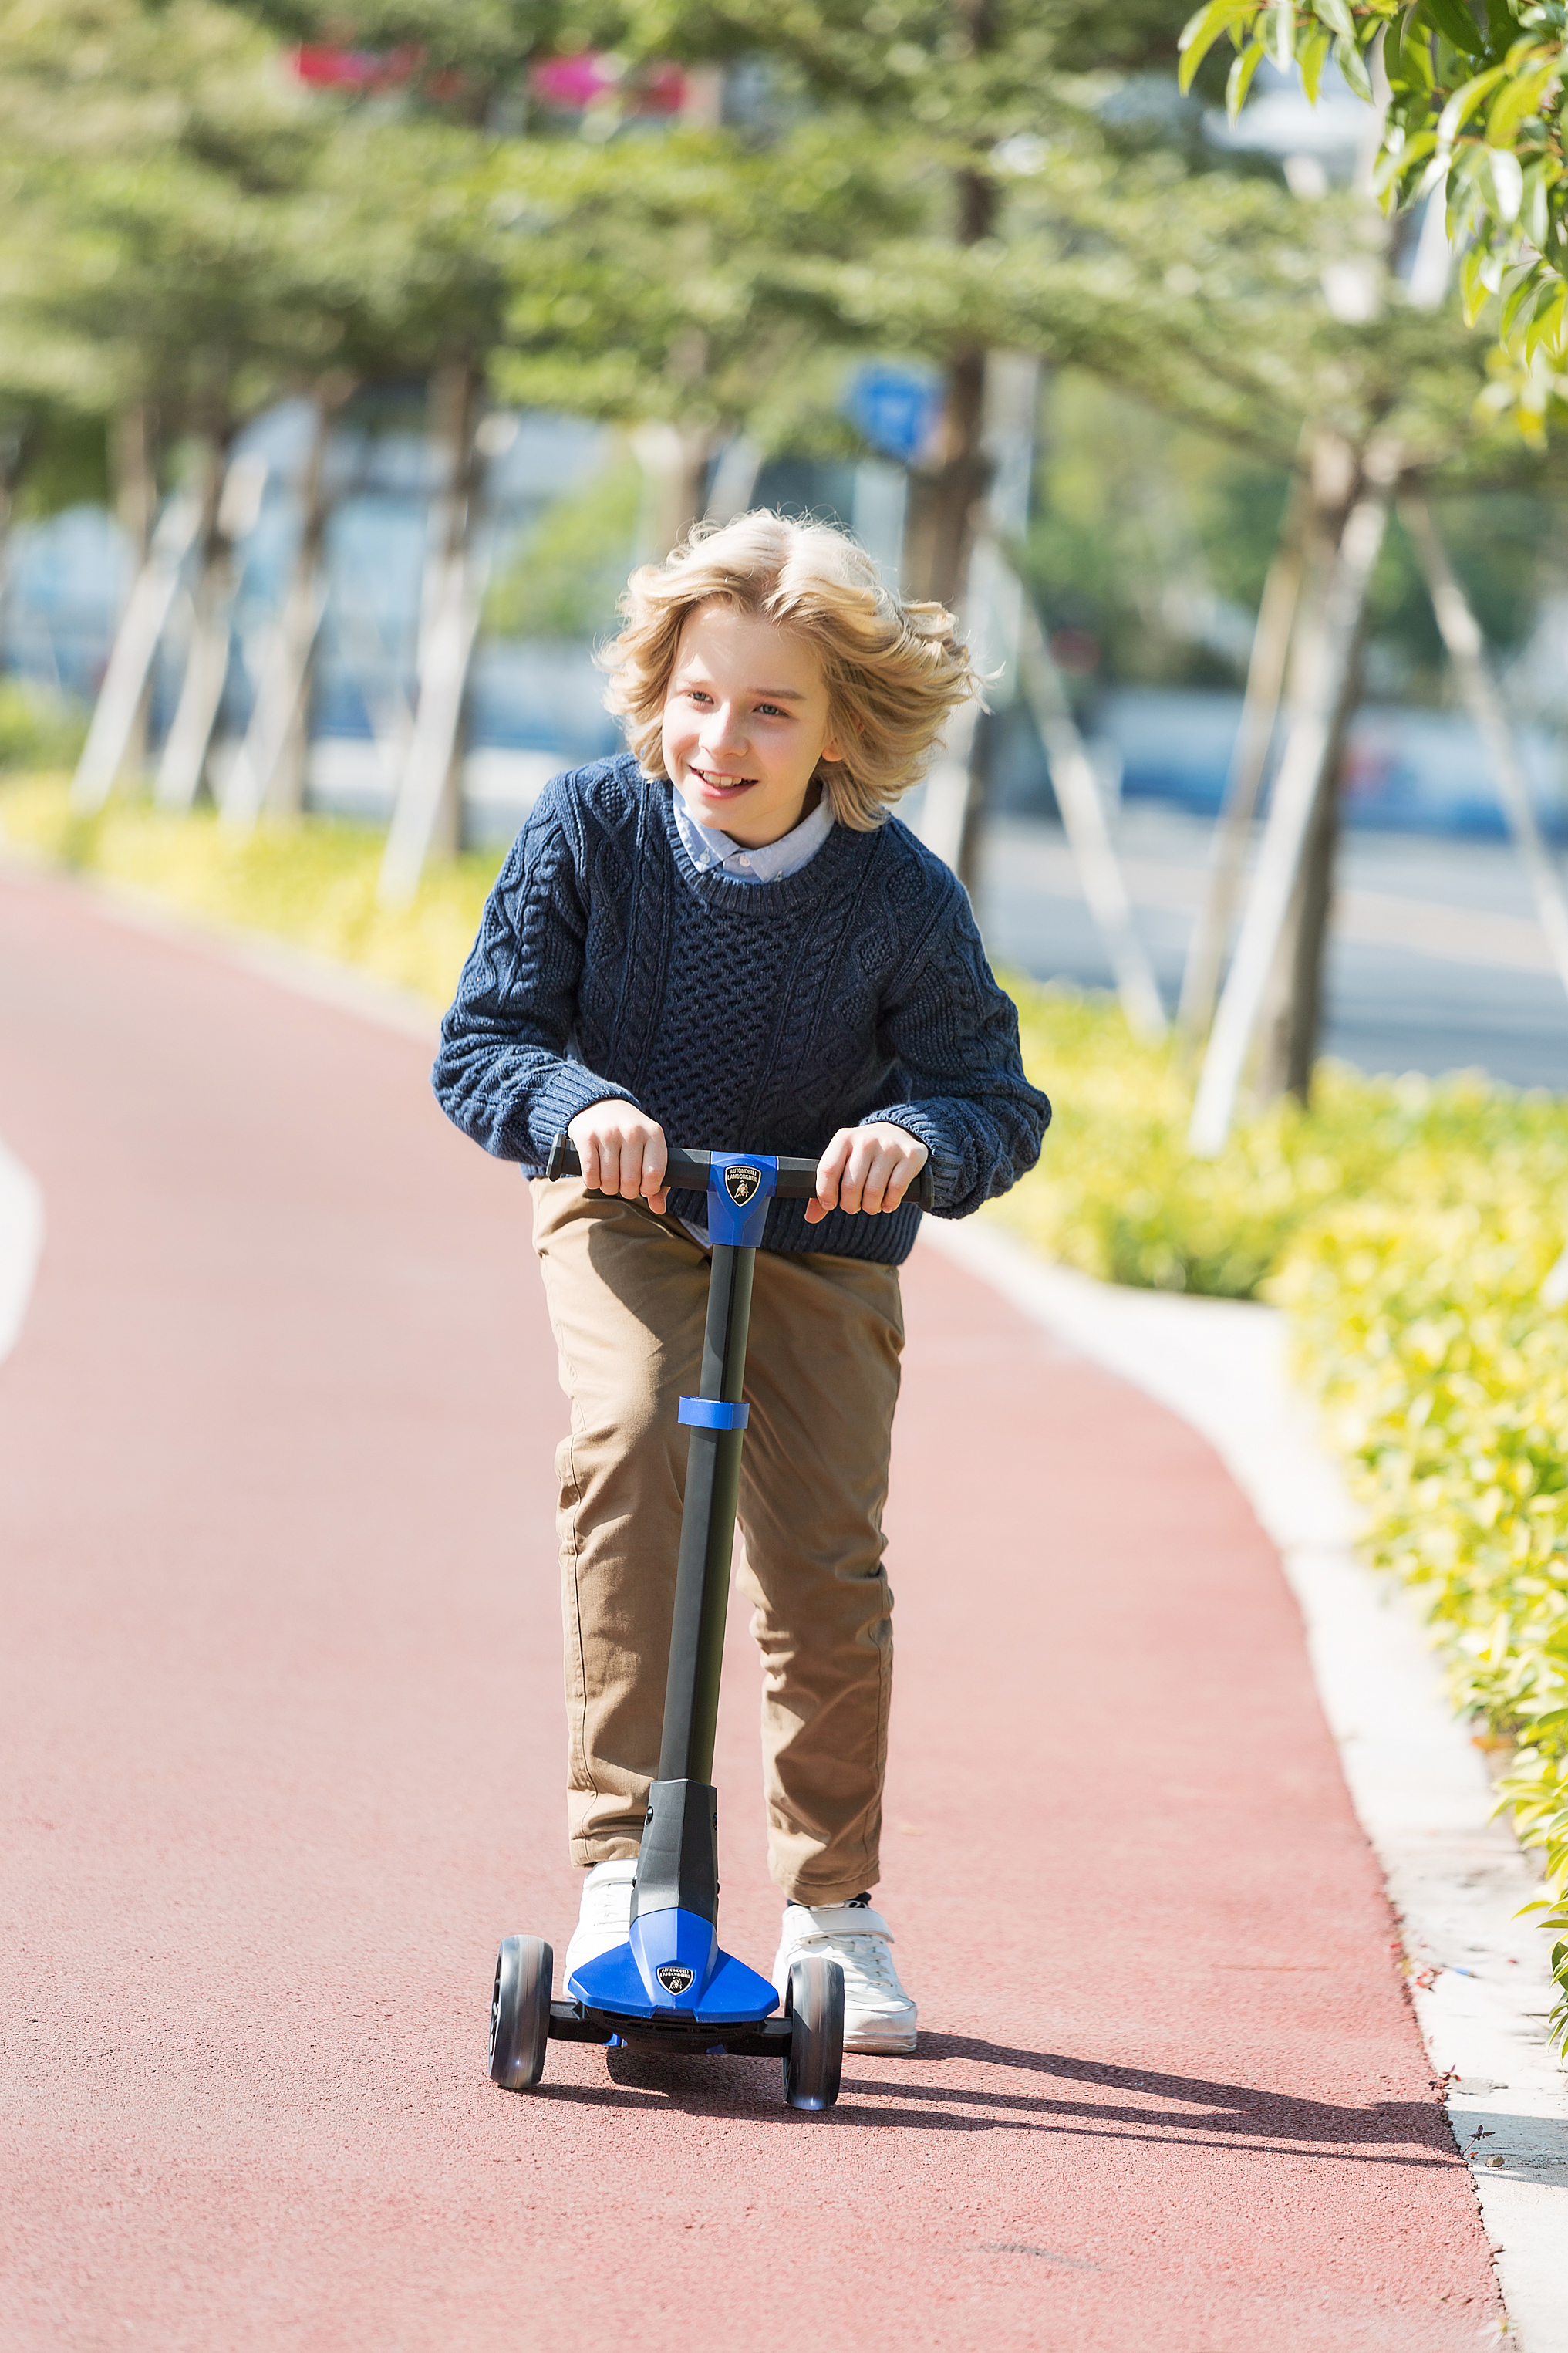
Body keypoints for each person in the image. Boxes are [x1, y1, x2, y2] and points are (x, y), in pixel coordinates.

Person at [433, 510, 1050, 2054]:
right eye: (702, 695)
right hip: (631, 1212)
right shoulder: (589, 827)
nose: (724, 737)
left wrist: (911, 1139)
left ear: (844, 728)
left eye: (773, 707)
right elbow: (485, 1042)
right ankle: (616, 1874)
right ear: (659, 689)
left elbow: (994, 1098)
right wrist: (577, 1107)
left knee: (824, 1570)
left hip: (817, 1239)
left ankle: (836, 1904)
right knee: (635, 1440)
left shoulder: (899, 895)